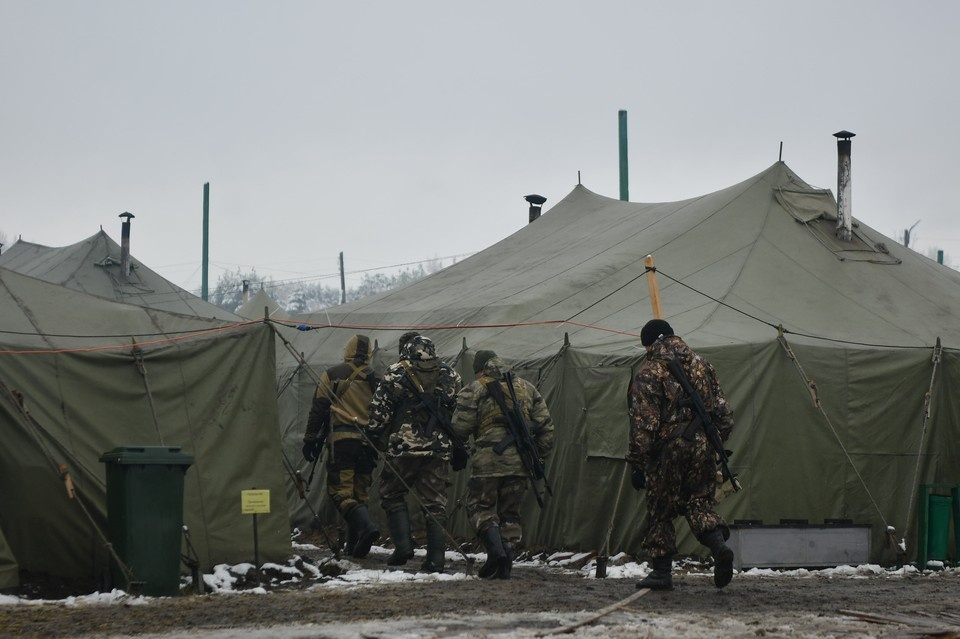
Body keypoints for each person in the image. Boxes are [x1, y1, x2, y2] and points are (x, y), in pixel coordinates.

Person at [627, 319, 735, 590]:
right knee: (698, 504)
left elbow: (644, 424)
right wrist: (714, 442)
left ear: (649, 344)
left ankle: (661, 572)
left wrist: (638, 464)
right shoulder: (703, 365)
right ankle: (718, 546)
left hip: (669, 450)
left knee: (660, 509)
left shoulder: (650, 371)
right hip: (704, 445)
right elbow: (724, 413)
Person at [451, 350, 554, 579]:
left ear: (480, 370)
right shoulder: (528, 388)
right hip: (520, 462)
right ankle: (505, 566)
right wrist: (537, 457)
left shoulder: (475, 388)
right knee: (510, 514)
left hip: (487, 461)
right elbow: (546, 428)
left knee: (479, 506)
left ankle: (495, 551)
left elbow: (459, 427)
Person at [363, 334, 462, 573]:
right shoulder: (451, 375)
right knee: (435, 502)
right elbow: (458, 413)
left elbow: (380, 412)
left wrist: (371, 437)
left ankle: (404, 547)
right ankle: (436, 559)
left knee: (391, 494)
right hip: (437, 449)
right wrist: (459, 444)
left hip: (403, 448)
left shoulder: (395, 372)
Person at [301, 334, 381, 558]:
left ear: (348, 349)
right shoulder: (377, 379)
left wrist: (310, 439)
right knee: (360, 493)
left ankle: (366, 529)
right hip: (367, 445)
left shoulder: (332, 375)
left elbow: (319, 408)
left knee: (340, 492)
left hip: (342, 442)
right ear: (369, 353)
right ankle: (355, 547)